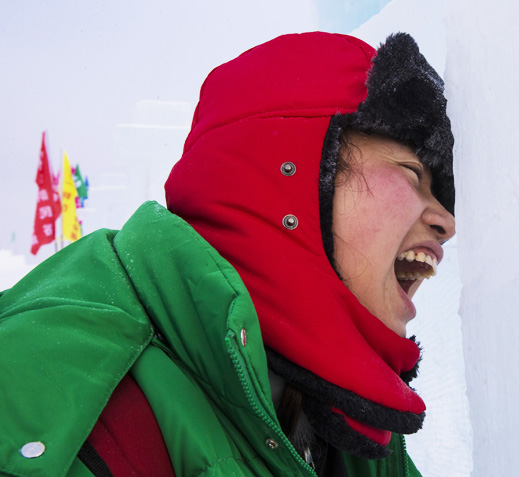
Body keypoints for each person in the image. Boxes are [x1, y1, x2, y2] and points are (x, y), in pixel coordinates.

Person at [0, 31, 455, 476]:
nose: (447, 223)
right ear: (288, 174)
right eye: (412, 173)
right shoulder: (69, 406)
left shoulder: (351, 424)